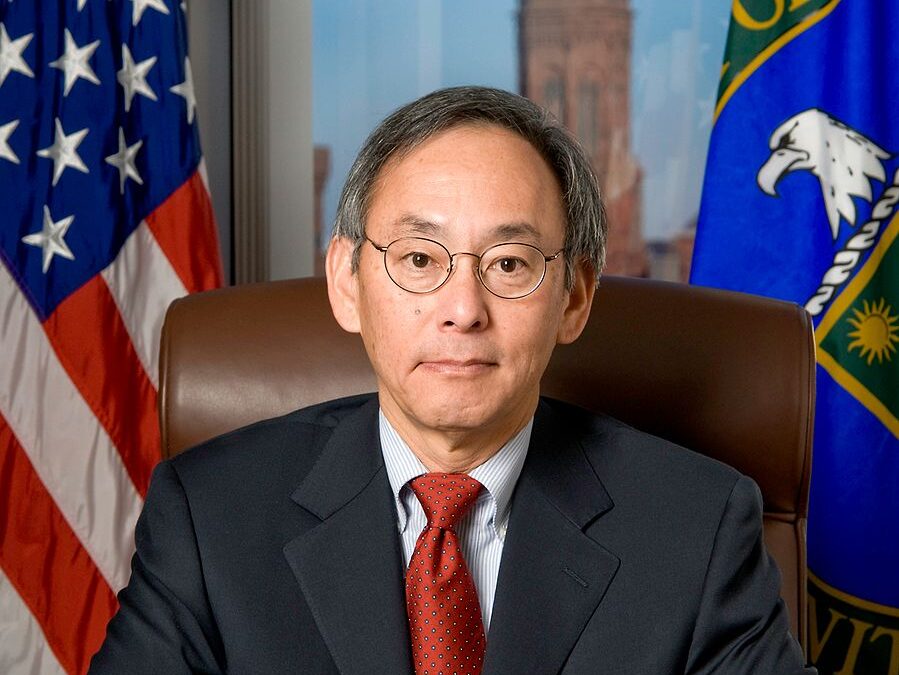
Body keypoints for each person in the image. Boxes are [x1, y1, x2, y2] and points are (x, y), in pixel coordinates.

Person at [90, 86, 814, 674]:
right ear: (346, 282)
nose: (463, 311)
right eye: (417, 259)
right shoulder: (210, 516)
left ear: (574, 298)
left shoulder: (696, 525)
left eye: (508, 263)